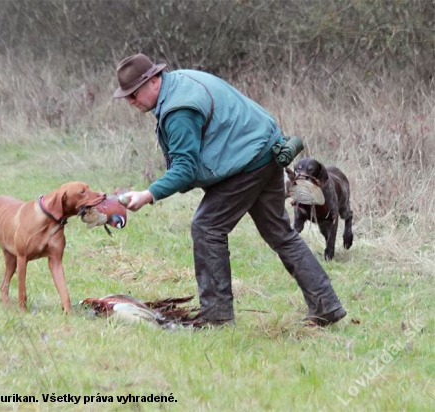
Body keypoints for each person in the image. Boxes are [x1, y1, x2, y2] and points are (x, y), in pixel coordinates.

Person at [112, 53, 346, 327]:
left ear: (153, 81)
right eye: (126, 96)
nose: (130, 101)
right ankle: (326, 304)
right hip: (269, 148)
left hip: (249, 161)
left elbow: (185, 168)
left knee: (207, 227)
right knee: (280, 233)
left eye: (133, 93)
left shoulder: (178, 110)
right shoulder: (180, 81)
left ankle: (216, 317)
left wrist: (148, 194)